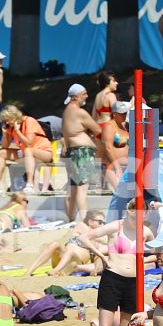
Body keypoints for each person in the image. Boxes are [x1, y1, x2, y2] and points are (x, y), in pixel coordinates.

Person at [61, 82, 96, 223]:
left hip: (71, 152)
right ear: (75, 97)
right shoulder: (80, 112)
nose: (86, 96)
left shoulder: (66, 112)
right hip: (83, 153)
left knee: (73, 188)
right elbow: (97, 129)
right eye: (84, 94)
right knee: (82, 188)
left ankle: (70, 219)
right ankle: (84, 220)